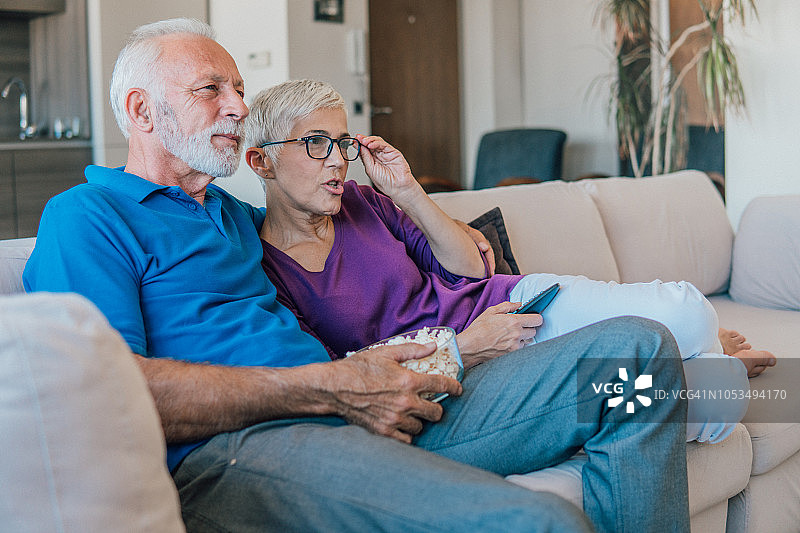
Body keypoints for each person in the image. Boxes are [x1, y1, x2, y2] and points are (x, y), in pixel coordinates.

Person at [22, 18, 691, 533]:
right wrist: (330, 385)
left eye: (238, 90)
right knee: (537, 521)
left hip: (354, 415)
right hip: (236, 453)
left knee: (636, 354)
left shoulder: (231, 215)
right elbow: (106, 393)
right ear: (141, 112)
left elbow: (416, 270)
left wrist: (362, 380)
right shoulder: (87, 216)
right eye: (211, 89)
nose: (235, 106)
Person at [247, 79, 775, 445]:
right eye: (315, 143)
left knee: (689, 310)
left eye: (340, 142)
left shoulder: (367, 203)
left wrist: (407, 191)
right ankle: (710, 378)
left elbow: (473, 271)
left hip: (514, 307)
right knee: (686, 409)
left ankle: (702, 359)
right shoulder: (264, 270)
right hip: (470, 369)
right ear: (261, 160)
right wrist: (461, 347)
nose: (337, 160)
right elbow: (338, 373)